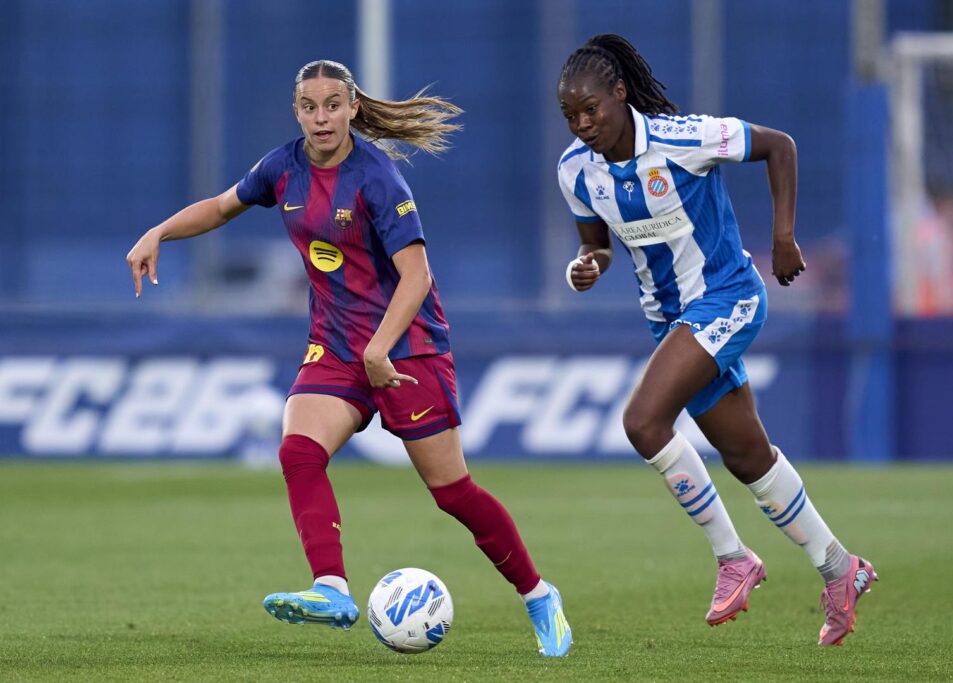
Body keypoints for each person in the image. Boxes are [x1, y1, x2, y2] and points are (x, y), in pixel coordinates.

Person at [126, 60, 571, 657]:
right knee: (298, 452)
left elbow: (417, 277)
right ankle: (331, 588)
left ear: (353, 107)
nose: (321, 118)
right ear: (296, 112)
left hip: (407, 347)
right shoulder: (281, 167)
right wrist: (158, 232)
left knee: (451, 492)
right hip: (336, 346)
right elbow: (221, 206)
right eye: (310, 107)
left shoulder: (378, 179)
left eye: (332, 105)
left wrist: (380, 347)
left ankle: (539, 594)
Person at [555, 34, 875, 646]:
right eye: (570, 115)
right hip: (671, 321)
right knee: (748, 457)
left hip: (728, 297)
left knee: (643, 422)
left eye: (591, 109)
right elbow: (595, 244)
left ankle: (733, 558)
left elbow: (779, 146)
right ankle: (842, 569)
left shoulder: (682, 138)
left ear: (620, 93)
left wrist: (783, 237)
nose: (582, 124)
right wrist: (587, 265)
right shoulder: (575, 171)